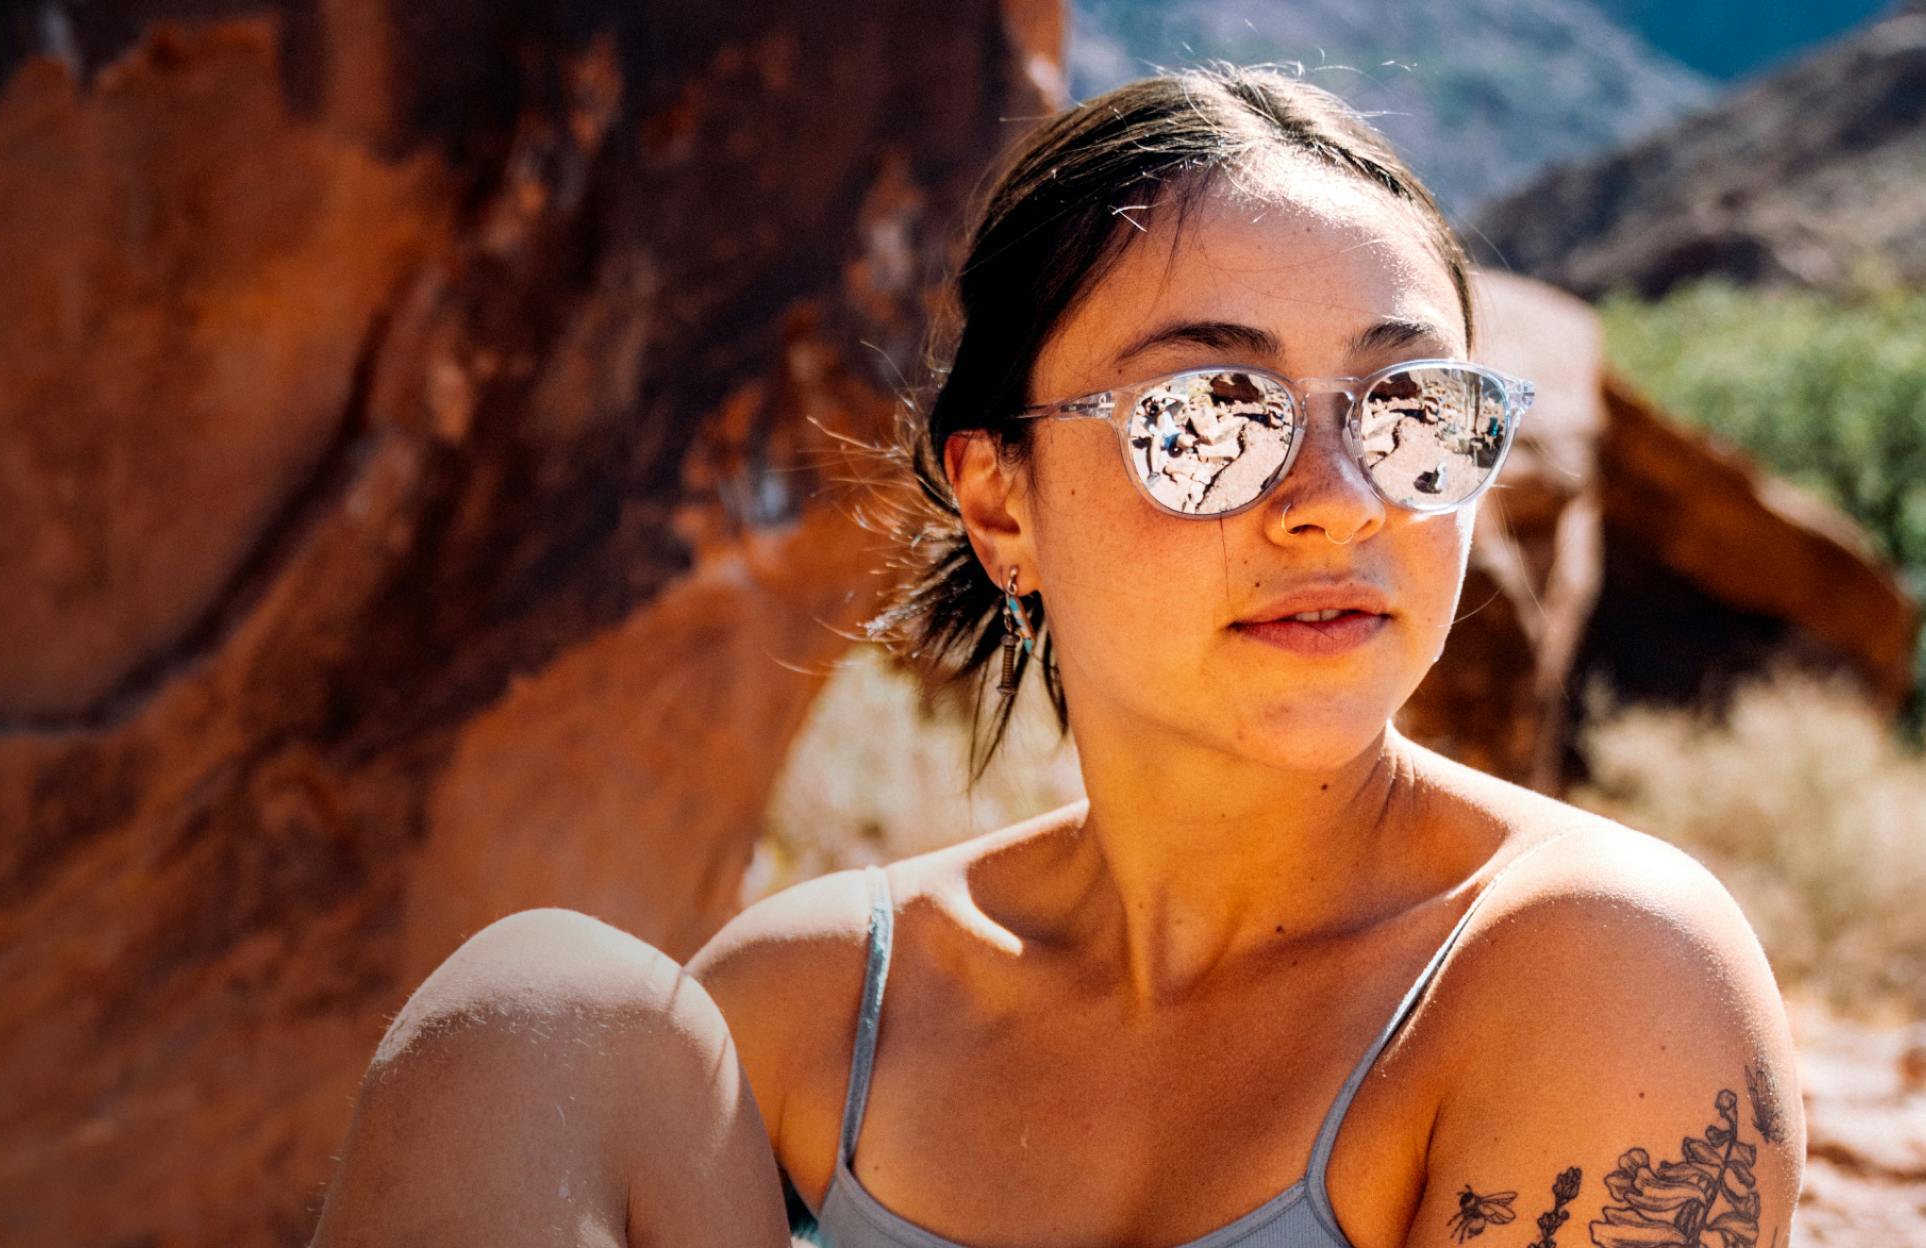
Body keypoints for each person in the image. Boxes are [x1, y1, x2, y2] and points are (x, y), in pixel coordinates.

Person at [306, 65, 1801, 1248]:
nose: (1335, 498)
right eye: (1211, 415)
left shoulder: (1588, 970)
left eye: (1410, 410)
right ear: (999, 501)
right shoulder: (804, 1008)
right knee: (539, 1011)